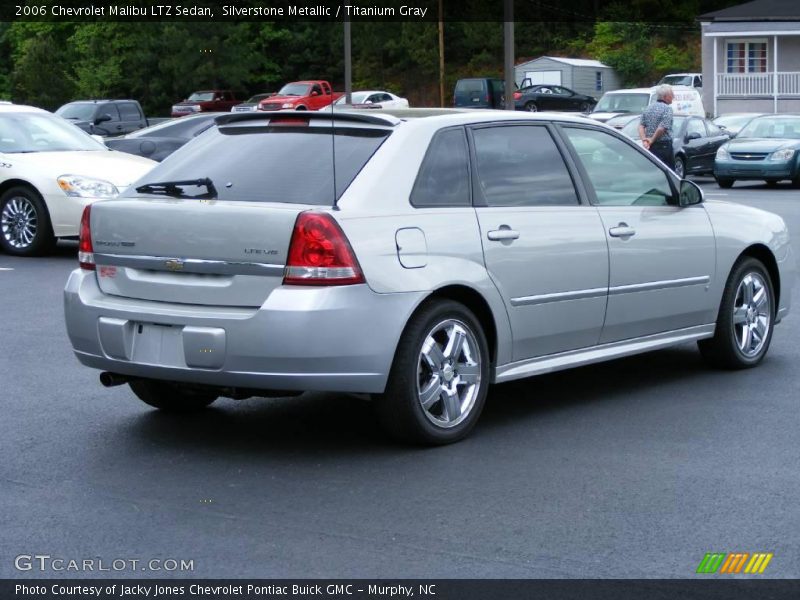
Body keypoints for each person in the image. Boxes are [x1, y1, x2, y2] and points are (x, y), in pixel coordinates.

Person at [638, 84, 675, 171]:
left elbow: (641, 126)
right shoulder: (667, 109)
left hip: (651, 147)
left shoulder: (648, 108)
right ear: (665, 96)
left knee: (653, 170)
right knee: (669, 172)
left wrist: (644, 140)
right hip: (664, 146)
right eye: (672, 94)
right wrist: (652, 140)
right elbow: (662, 128)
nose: (673, 96)